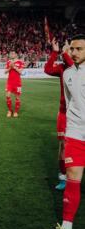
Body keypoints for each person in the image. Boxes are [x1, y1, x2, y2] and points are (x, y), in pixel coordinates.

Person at [47, 33, 85, 229]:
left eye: (79, 49)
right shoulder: (68, 74)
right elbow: (70, 103)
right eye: (73, 49)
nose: (74, 52)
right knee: (73, 178)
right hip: (76, 133)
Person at [44, 38, 74, 190]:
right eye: (71, 49)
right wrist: (55, 52)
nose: (72, 52)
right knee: (63, 147)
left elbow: (73, 65)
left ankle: (75, 176)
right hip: (63, 113)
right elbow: (48, 69)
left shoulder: (79, 67)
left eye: (75, 49)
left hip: (80, 115)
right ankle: (63, 177)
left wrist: (65, 52)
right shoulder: (63, 67)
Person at [4, 51, 24, 117]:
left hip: (17, 82)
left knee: (17, 98)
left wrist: (14, 67)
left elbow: (20, 72)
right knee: (7, 96)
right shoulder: (8, 62)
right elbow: (5, 72)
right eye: (10, 54)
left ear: (16, 54)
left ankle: (15, 112)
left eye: (13, 53)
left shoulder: (20, 62)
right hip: (10, 82)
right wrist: (10, 67)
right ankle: (10, 111)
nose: (11, 55)